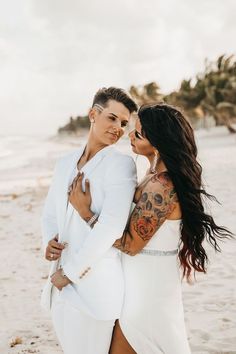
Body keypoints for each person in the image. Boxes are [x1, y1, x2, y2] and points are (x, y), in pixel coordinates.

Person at [70, 103, 231, 354]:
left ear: (157, 142)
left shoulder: (162, 186)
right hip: (143, 279)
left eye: (138, 134)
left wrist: (86, 214)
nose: (130, 136)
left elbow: (132, 244)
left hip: (149, 285)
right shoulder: (152, 174)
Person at [41, 87, 138, 354]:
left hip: (95, 288)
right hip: (59, 285)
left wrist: (70, 273)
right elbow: (50, 213)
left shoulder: (121, 165)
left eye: (123, 123)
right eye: (112, 118)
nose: (118, 127)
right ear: (93, 114)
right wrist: (48, 242)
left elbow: (111, 228)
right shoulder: (64, 163)